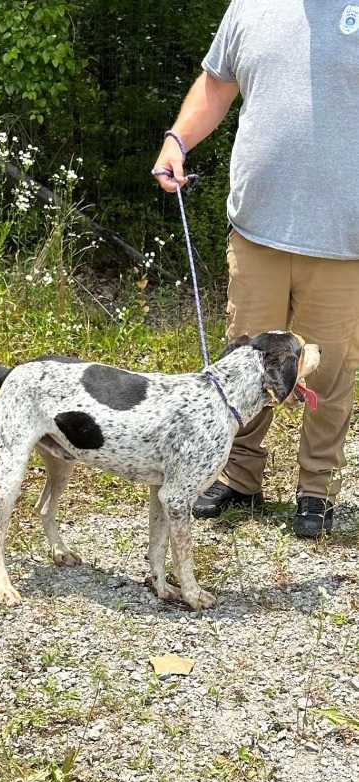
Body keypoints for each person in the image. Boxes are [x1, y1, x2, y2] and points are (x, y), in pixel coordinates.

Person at [153, 0, 359, 537]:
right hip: (256, 229)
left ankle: (315, 490)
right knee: (246, 362)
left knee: (330, 371)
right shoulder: (250, 5)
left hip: (344, 239)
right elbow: (216, 85)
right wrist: (177, 140)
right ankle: (240, 477)